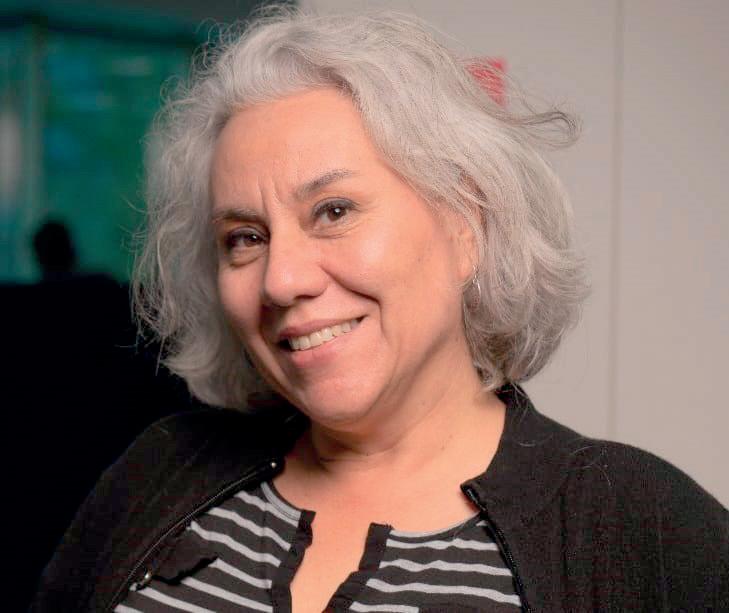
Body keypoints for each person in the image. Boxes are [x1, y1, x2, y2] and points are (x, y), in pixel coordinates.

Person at [32, 8, 728, 613]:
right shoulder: (159, 470)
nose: (282, 279)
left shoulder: (640, 525)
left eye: (333, 211)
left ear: (466, 225)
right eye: (244, 237)